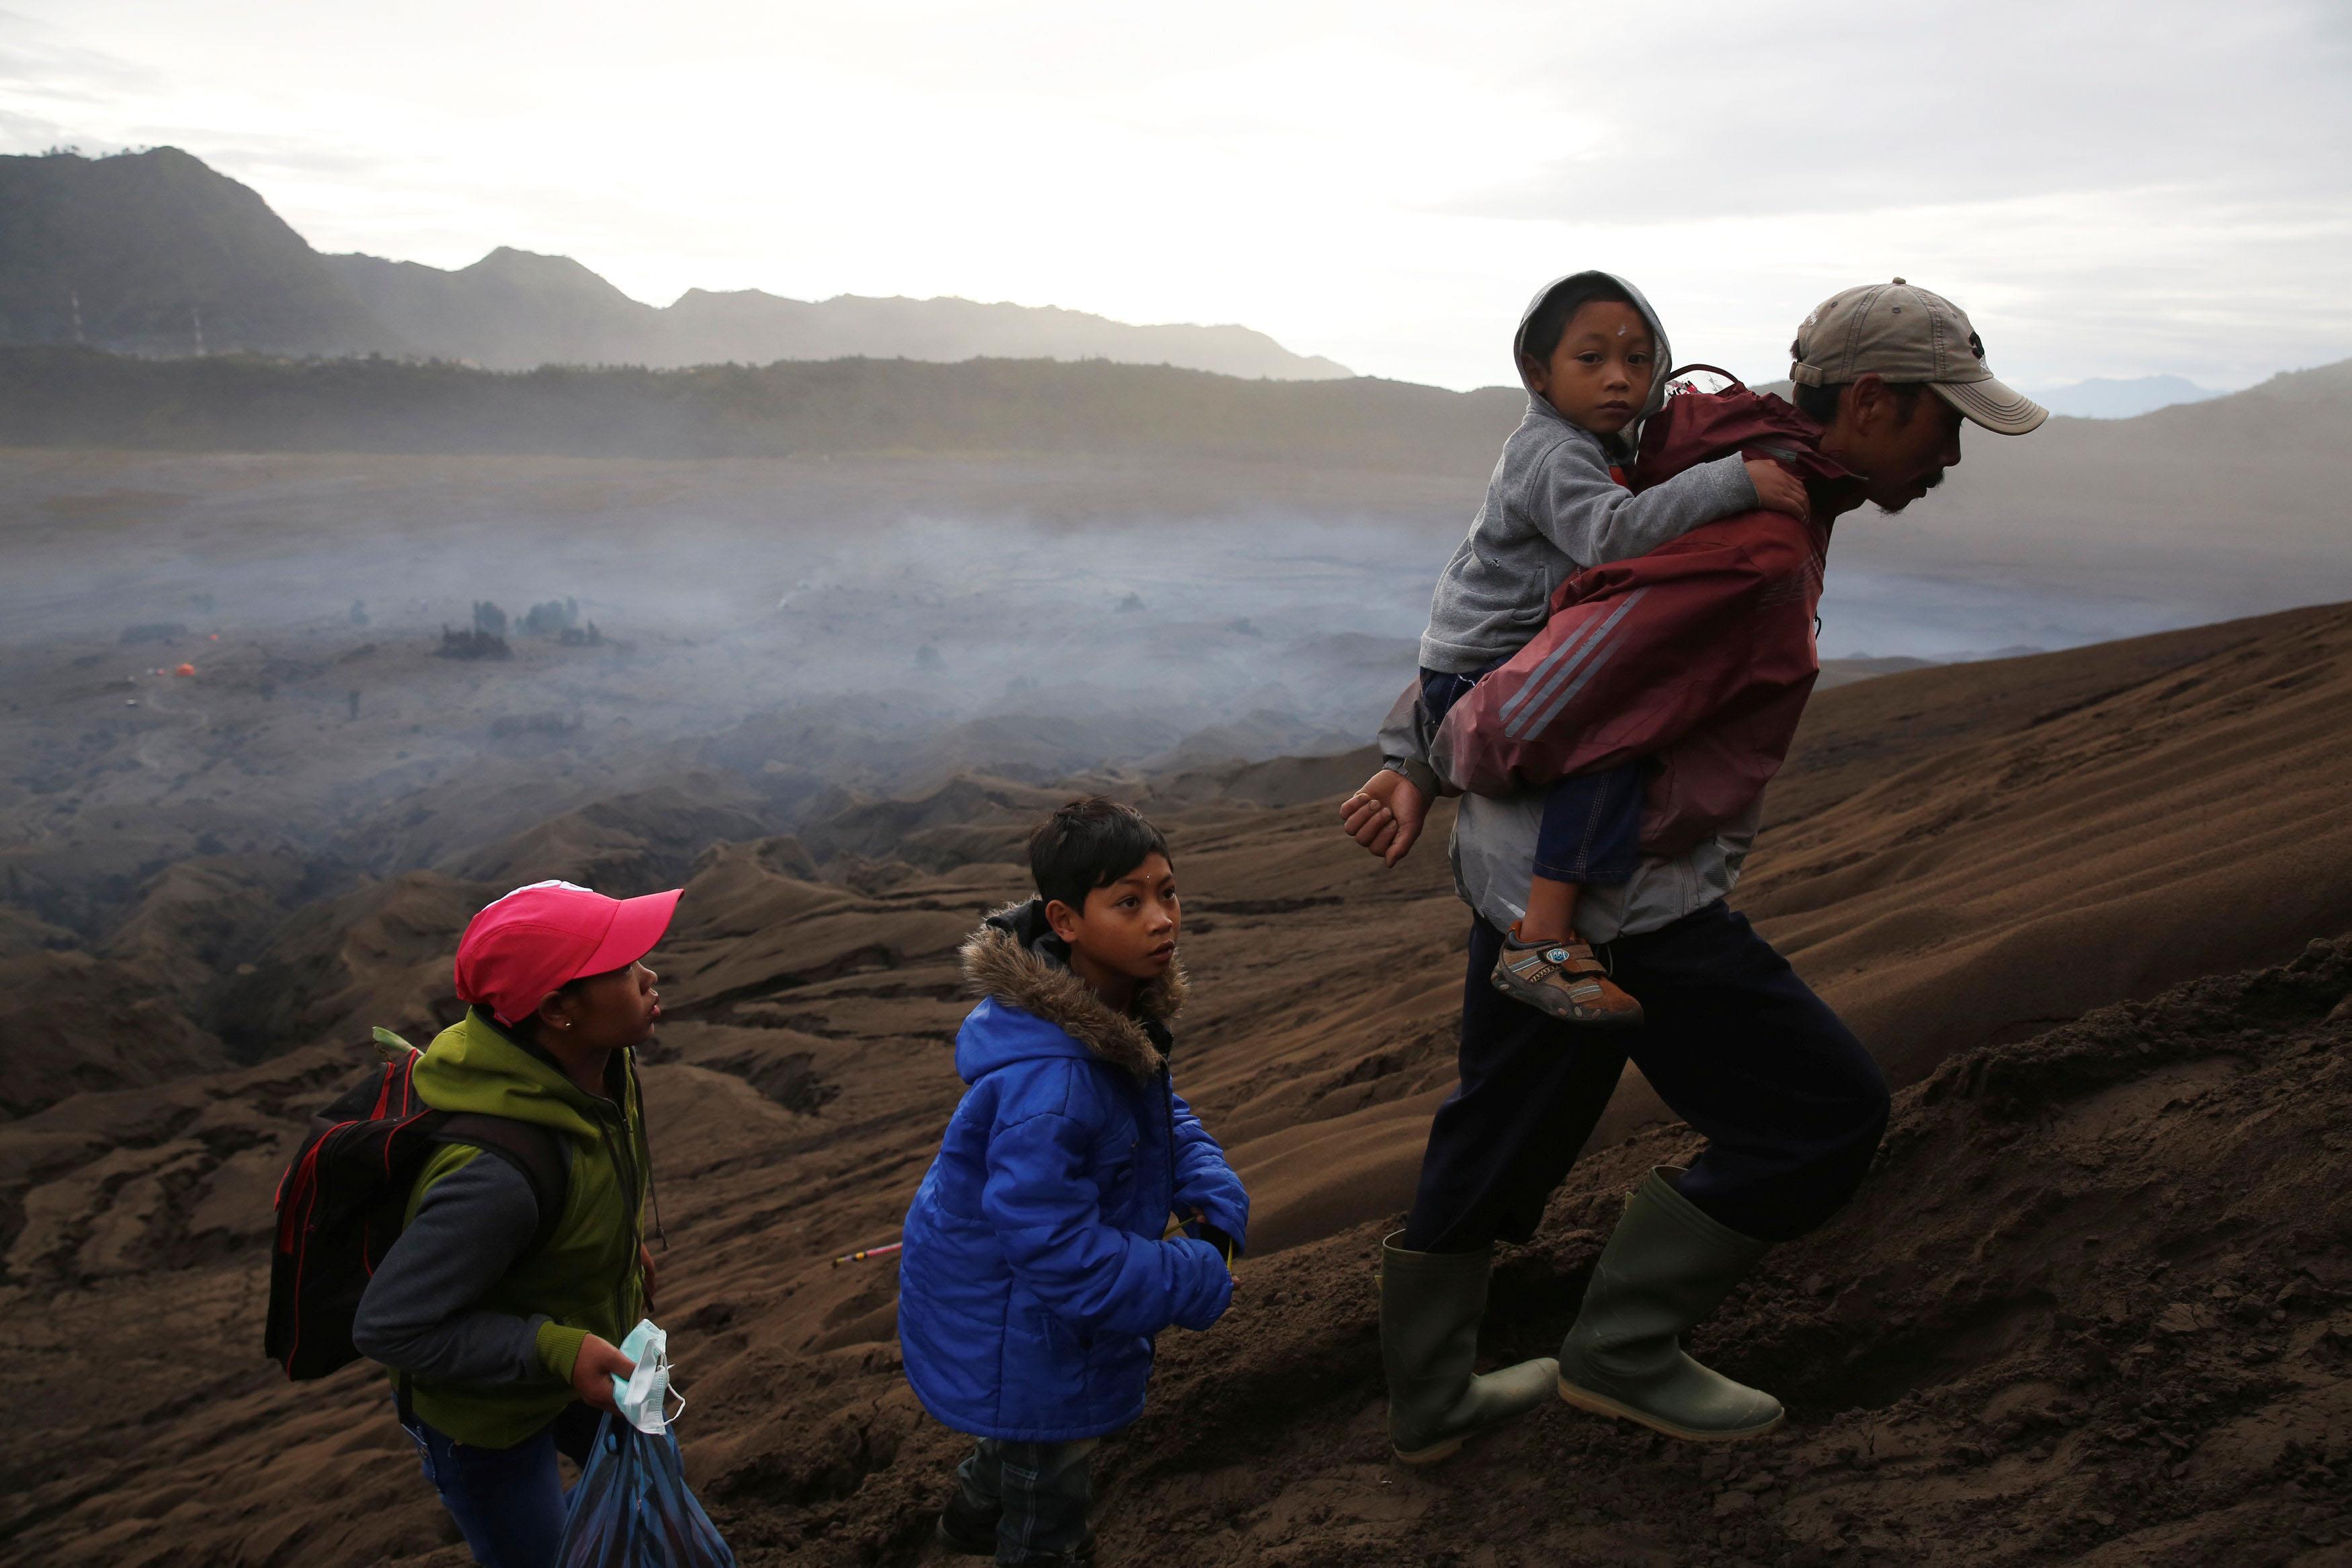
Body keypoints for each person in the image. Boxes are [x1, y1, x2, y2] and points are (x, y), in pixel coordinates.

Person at [1343, 279, 2047, 1463]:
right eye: (1948, 421)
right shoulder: (1753, 533)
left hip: (1532, 879)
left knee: (1504, 1124)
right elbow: (1532, 701)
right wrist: (1444, 745)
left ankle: (1432, 1397)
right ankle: (1619, 1351)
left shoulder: (1751, 457)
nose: (1954, 454)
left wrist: (1428, 745)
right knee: (1821, 1113)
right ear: (1870, 401)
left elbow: (1527, 626)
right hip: (1622, 898)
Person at [1414, 271, 1811, 1027]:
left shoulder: (1584, 446)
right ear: (1537, 372)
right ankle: (1542, 939)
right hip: (1478, 674)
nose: (1618, 380)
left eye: (1636, 360)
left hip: (1479, 662)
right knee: (1605, 745)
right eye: (1590, 360)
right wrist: (1732, 484)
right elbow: (1609, 536)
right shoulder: (1553, 454)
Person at [898, 799, 1247, 1566]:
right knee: (1048, 1489)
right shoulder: (1054, 1081)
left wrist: (1212, 1192)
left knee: (1022, 1443)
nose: (1161, 919)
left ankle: (962, 1528)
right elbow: (1057, 1252)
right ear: (1063, 921)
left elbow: (1154, 1115)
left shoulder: (1105, 1021)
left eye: (1167, 892)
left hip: (1029, 1315)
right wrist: (1191, 1274)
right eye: (1129, 901)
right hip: (1023, 1319)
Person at [353, 878, 676, 1568]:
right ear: (558, 1010)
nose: (650, 976)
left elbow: (582, 1193)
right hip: (484, 1418)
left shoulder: (601, 1072)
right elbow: (389, 1325)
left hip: (577, 1352)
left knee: (648, 1515)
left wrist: (619, 1246)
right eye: (621, 968)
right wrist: (555, 1349)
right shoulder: (494, 1176)